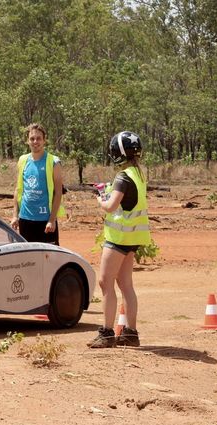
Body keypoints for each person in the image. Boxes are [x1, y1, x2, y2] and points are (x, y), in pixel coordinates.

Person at [87, 131, 151, 348]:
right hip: (133, 236)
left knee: (105, 282)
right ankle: (131, 333)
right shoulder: (138, 173)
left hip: (119, 238)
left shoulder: (122, 177)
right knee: (125, 284)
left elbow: (111, 206)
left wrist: (100, 199)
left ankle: (106, 333)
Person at [10, 123, 66, 244]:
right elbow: (18, 190)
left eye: (38, 138)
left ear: (44, 140)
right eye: (32, 138)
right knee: (28, 259)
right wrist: (15, 215)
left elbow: (58, 192)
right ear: (27, 141)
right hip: (25, 219)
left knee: (49, 259)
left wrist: (52, 220)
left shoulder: (53, 162)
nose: (35, 141)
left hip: (45, 221)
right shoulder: (22, 160)